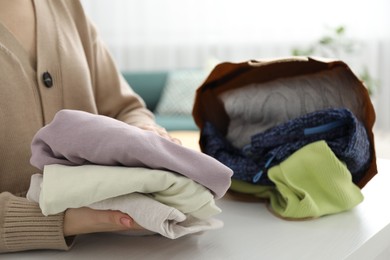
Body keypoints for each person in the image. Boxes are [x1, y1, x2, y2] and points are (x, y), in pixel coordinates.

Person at [0, 0, 180, 253]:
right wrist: (65, 219)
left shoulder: (67, 6)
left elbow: (125, 108)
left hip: (115, 243)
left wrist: (145, 135)